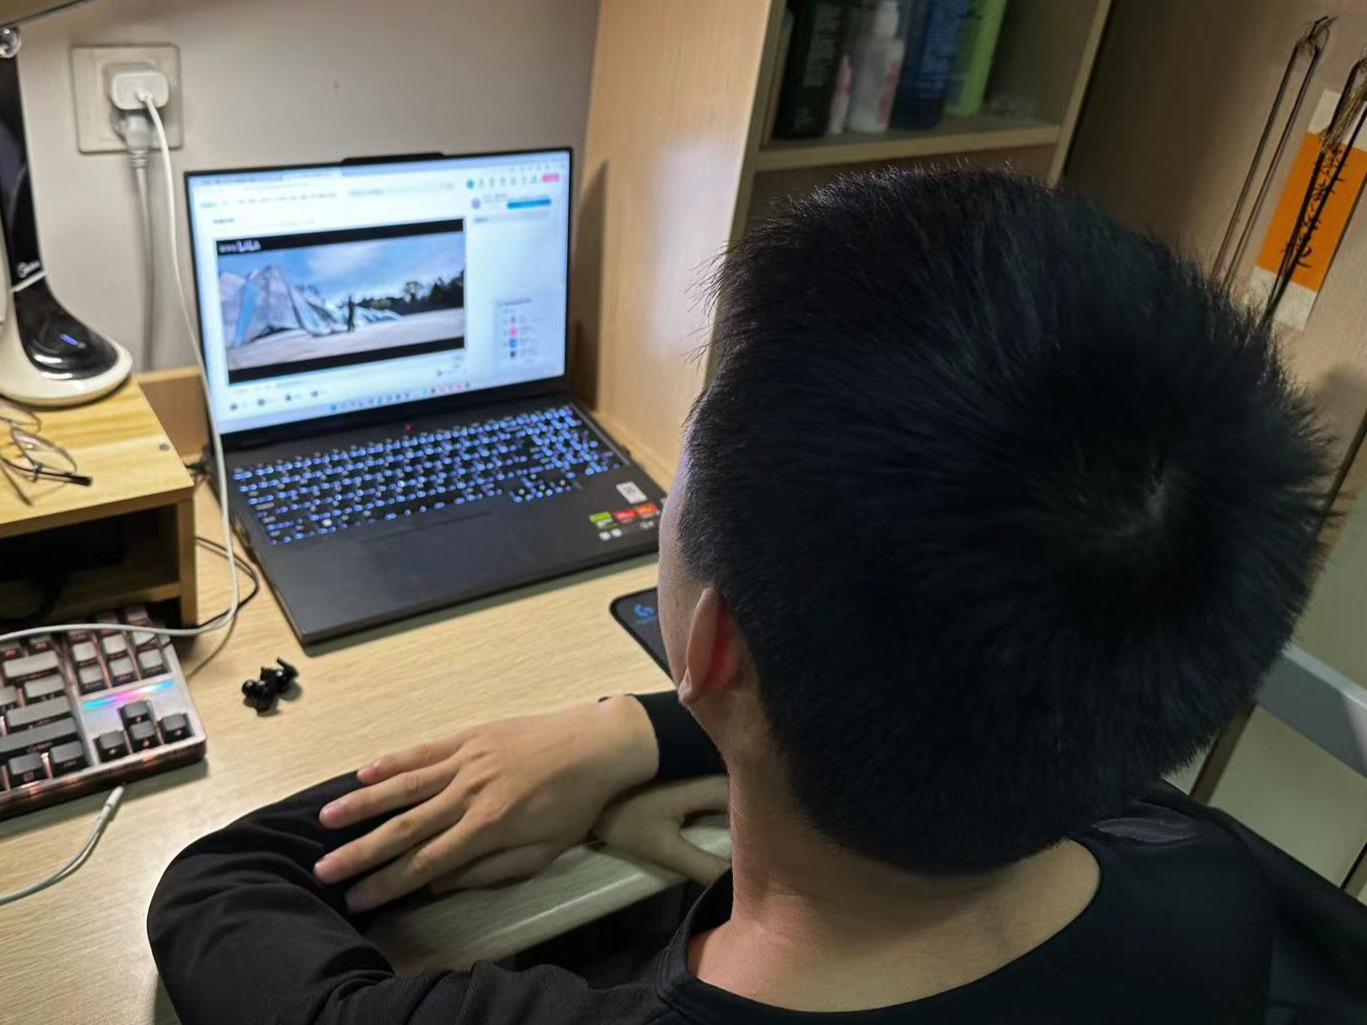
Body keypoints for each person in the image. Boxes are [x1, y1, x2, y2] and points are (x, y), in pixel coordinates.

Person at [147, 169, 1367, 1023]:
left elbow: (217, 882)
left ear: (712, 638)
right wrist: (631, 731)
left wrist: (652, 725)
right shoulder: (1211, 885)